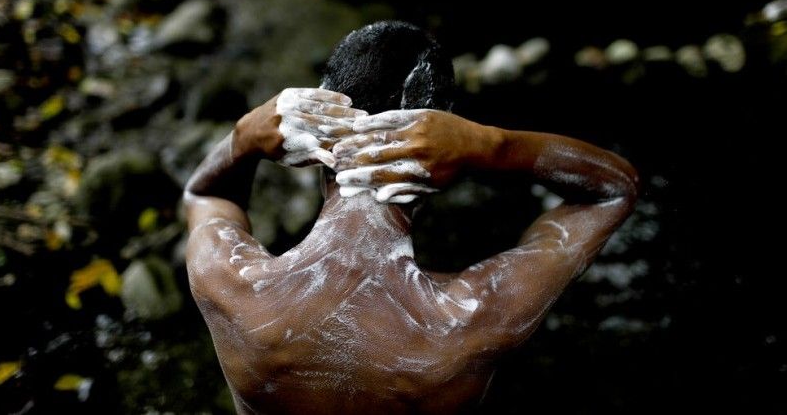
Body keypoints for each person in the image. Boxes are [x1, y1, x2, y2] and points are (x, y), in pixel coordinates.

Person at [183, 21, 639, 414]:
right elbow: (612, 191)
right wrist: (490, 146)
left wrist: (244, 136)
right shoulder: (474, 320)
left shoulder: (230, 285)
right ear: (442, 152)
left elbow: (201, 192)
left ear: (311, 144)